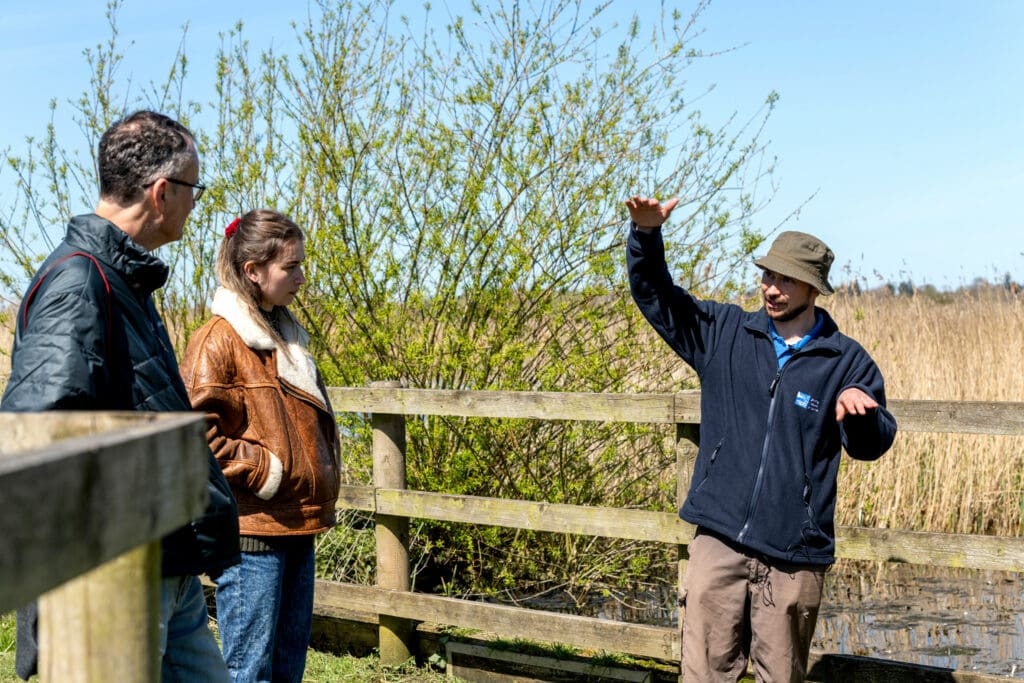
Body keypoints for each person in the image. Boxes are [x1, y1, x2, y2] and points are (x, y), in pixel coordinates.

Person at [1, 110, 240, 681]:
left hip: (163, 558)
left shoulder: (121, 277)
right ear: (161, 192)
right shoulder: (80, 281)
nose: (194, 202)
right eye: (192, 188)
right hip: (115, 571)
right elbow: (34, 434)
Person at [625, 196, 897, 682]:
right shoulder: (725, 333)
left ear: (813, 289)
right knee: (704, 673)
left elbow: (872, 444)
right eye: (768, 275)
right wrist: (646, 236)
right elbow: (656, 296)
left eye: (786, 279)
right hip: (719, 537)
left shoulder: (846, 361)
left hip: (795, 552)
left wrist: (859, 415)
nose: (772, 289)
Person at [179, 209, 341, 683]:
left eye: (301, 265)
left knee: (288, 666)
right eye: (290, 267)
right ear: (253, 270)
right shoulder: (218, 340)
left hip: (297, 524)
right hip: (253, 533)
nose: (302, 277)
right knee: (249, 671)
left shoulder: (285, 337)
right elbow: (195, 436)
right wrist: (265, 470)